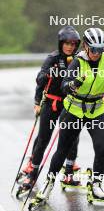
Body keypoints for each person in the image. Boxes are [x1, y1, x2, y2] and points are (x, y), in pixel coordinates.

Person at [31, 27, 104, 203]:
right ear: (86, 47)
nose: (97, 53)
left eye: (101, 49)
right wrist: (75, 83)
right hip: (74, 111)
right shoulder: (78, 62)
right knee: (63, 149)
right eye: (94, 49)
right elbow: (65, 86)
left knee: (101, 148)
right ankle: (48, 184)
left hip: (96, 110)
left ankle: (96, 185)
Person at [18, 26, 81, 193]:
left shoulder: (78, 60)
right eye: (67, 43)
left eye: (73, 44)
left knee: (72, 136)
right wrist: (37, 102)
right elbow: (39, 81)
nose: (70, 47)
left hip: (69, 104)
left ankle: (69, 170)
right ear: (61, 44)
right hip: (51, 103)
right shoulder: (52, 58)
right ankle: (32, 171)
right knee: (44, 138)